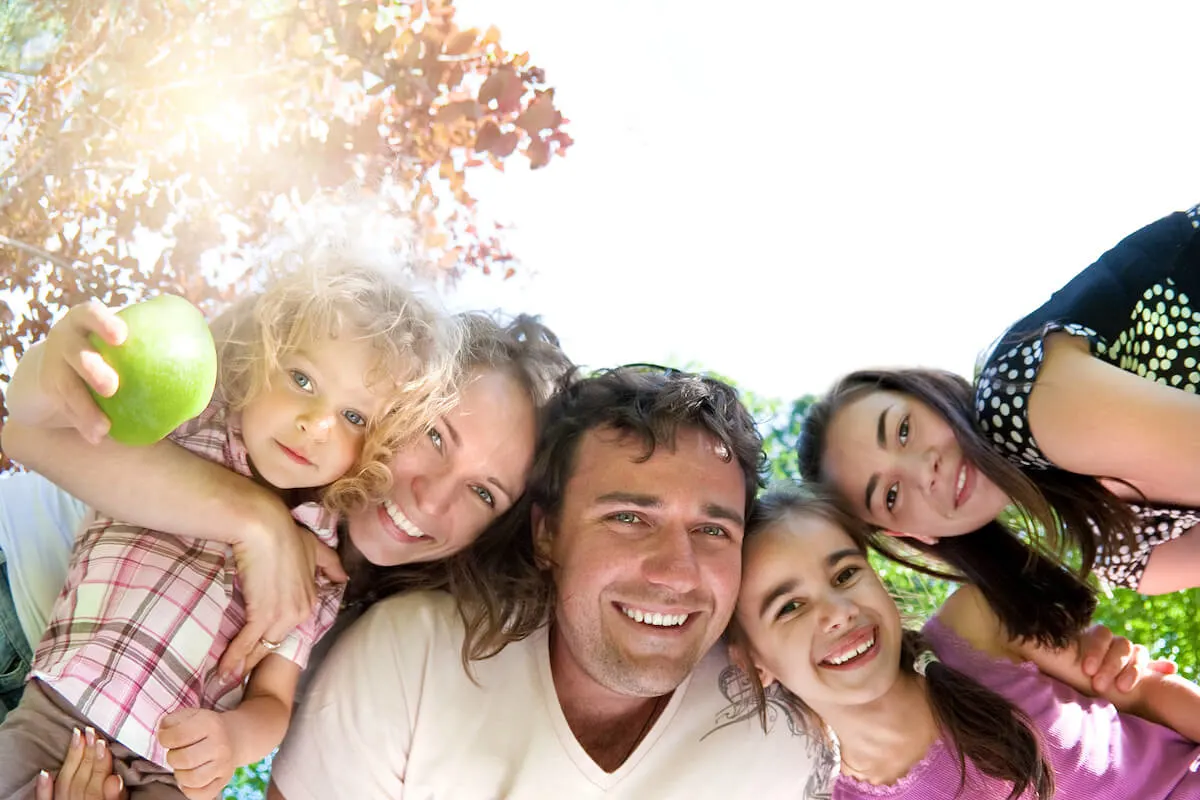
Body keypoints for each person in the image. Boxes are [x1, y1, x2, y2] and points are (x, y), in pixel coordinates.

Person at [0, 308, 572, 796]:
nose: (433, 495)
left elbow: (266, 709)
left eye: (482, 492)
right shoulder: (274, 421)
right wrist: (260, 520)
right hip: (18, 603)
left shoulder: (397, 628)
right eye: (435, 436)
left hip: (138, 759)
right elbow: (25, 433)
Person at [264, 365, 833, 799]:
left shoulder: (784, 737)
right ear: (546, 537)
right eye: (629, 518)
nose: (676, 572)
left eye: (712, 530)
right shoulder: (411, 658)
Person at [796, 204, 1200, 636]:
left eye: (904, 430)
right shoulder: (1121, 549)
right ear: (911, 534)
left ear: (933, 395)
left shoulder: (1015, 398)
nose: (923, 470)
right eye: (891, 494)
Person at [729, 485, 1200, 800]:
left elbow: (1142, 692)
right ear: (755, 662)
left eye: (846, 573)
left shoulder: (975, 622)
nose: (839, 612)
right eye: (789, 606)